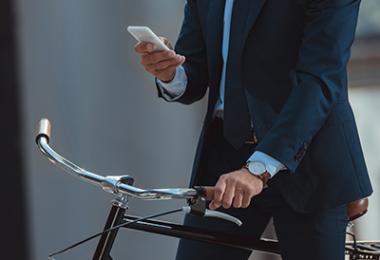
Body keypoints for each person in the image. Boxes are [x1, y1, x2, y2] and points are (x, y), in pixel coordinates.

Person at [134, 0, 373, 259]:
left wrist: (258, 169)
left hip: (309, 159)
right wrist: (170, 72)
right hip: (225, 158)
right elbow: (196, 71)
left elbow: (321, 79)